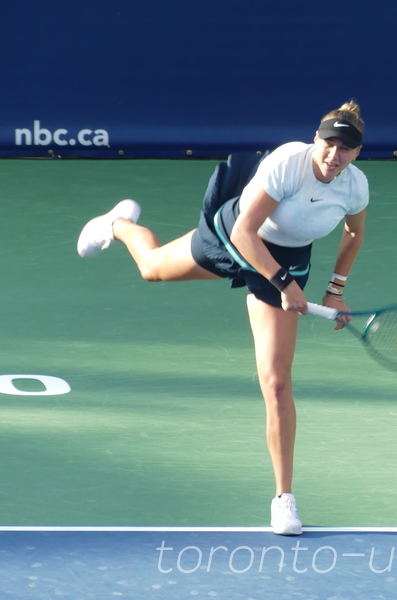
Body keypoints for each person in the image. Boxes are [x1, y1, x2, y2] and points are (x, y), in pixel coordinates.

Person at [76, 101, 369, 535]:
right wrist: (286, 285)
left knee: (276, 381)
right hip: (237, 235)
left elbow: (354, 232)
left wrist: (336, 290)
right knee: (151, 268)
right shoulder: (288, 164)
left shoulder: (355, 187)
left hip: (289, 256)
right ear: (316, 139)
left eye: (346, 147)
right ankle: (118, 224)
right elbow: (244, 233)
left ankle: (283, 500)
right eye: (329, 142)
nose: (334, 154)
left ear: (357, 153)